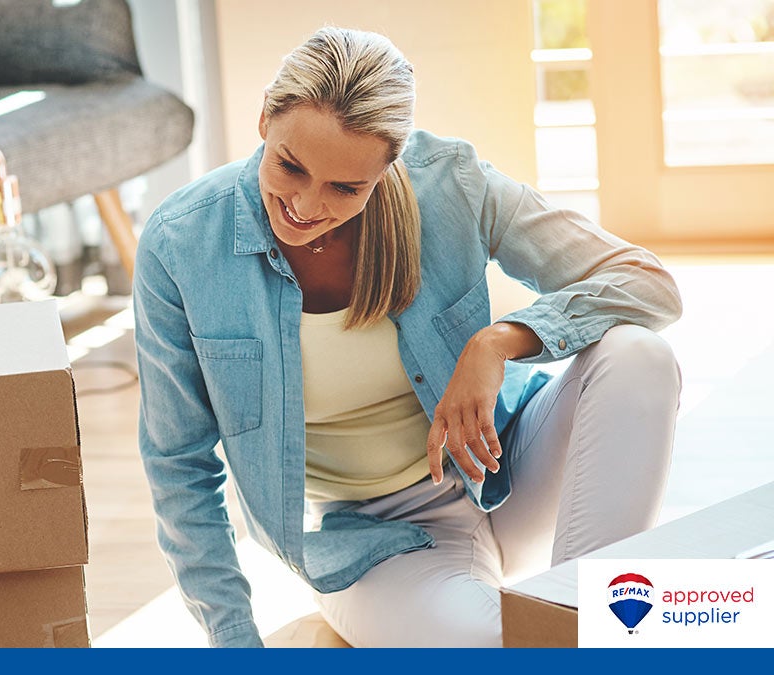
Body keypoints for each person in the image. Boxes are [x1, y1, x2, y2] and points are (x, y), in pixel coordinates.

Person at [132, 27, 682, 648]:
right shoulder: (182, 244)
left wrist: (500, 341)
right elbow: (178, 463)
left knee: (639, 355)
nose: (308, 205)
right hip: (380, 540)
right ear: (264, 118)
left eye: (346, 188)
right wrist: (234, 639)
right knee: (494, 646)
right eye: (291, 166)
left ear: (390, 165)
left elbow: (646, 284)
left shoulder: (448, 182)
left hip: (509, 467)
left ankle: (600, 628)